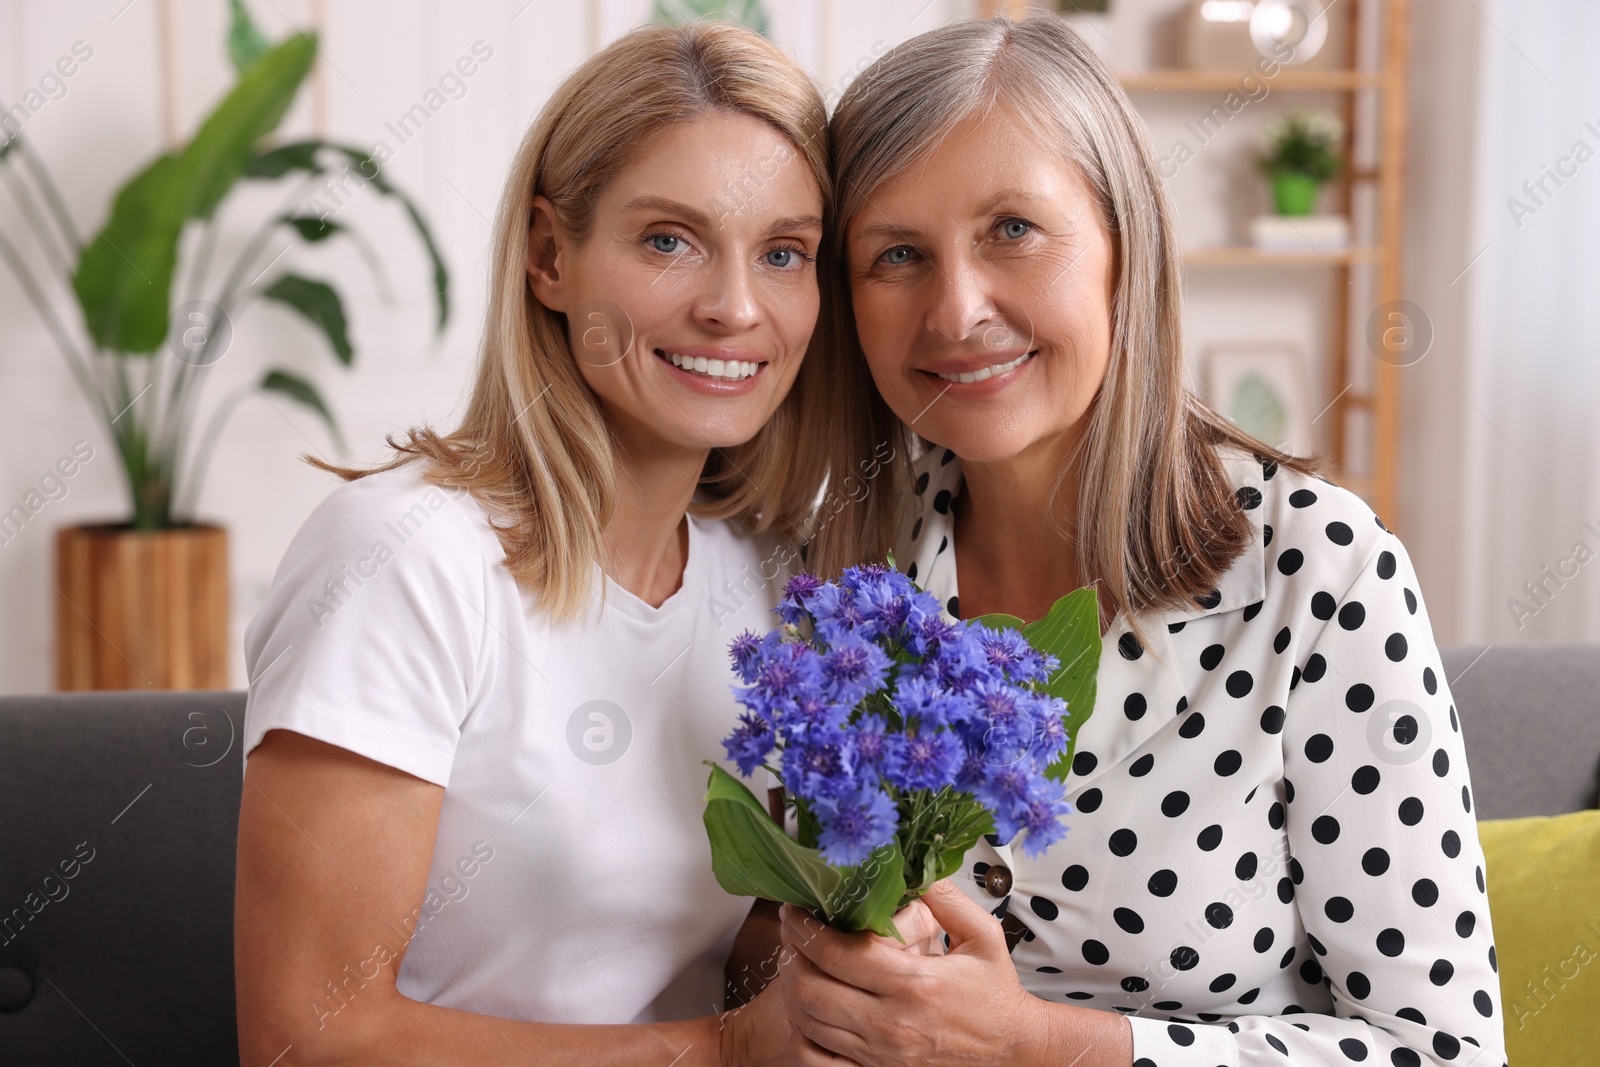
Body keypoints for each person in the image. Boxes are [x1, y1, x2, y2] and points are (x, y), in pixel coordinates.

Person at [785, 15, 1508, 1067]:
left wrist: (1036, 1041)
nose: (956, 307)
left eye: (1012, 230)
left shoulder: (1319, 574)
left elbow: (1442, 1049)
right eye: (895, 253)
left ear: (1125, 243)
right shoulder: (842, 574)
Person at [234, 21, 843, 1066]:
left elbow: (712, 954)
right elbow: (307, 1036)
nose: (735, 306)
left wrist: (856, 960)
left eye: (783, 253)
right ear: (550, 254)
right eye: (669, 239)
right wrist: (723, 1049)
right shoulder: (404, 557)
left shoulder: (769, 580)